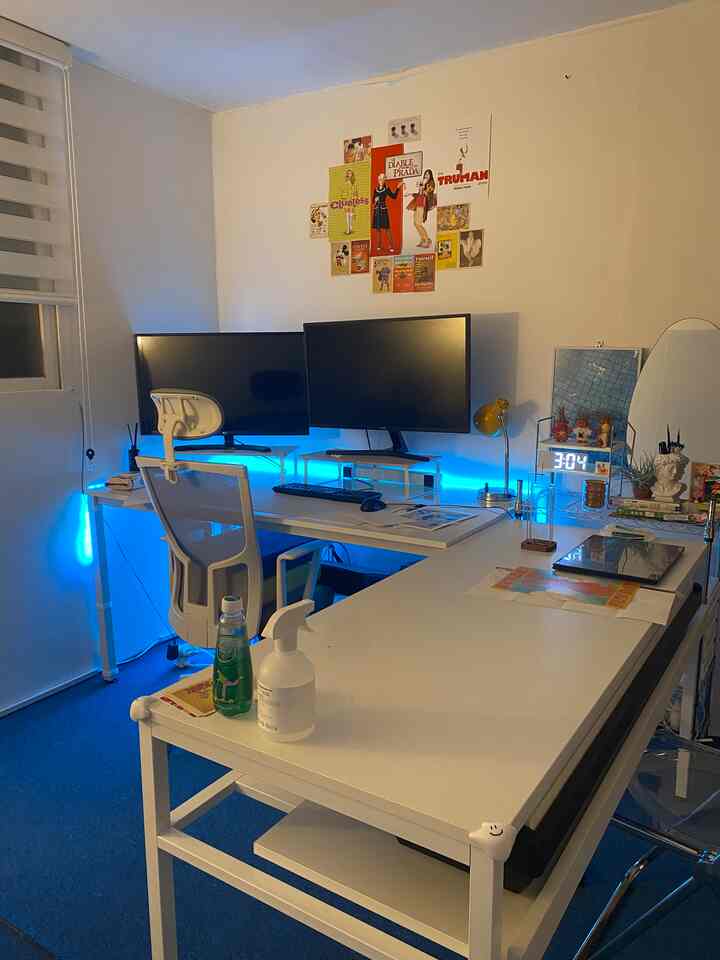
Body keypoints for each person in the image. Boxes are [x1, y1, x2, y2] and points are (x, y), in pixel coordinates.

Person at [372, 172, 401, 253]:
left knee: (387, 228)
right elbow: (373, 200)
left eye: (382, 179)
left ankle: (391, 245)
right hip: (376, 210)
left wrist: (398, 188)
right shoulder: (375, 189)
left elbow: (394, 196)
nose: (380, 180)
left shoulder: (386, 188)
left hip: (383, 209)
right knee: (378, 229)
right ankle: (379, 245)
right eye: (379, 179)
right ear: (378, 180)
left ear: (384, 180)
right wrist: (374, 200)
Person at [406, 169, 436, 248]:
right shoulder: (423, 182)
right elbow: (419, 194)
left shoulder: (431, 183)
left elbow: (427, 193)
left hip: (423, 204)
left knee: (418, 223)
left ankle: (427, 240)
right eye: (425, 174)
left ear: (430, 175)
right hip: (417, 203)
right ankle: (423, 239)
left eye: (428, 174)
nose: (426, 175)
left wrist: (423, 186)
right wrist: (410, 193)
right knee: (415, 223)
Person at [342, 168, 358, 234]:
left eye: (350, 173)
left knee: (351, 214)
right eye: (348, 173)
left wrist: (355, 200)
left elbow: (356, 193)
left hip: (352, 200)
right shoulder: (345, 183)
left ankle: (350, 228)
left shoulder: (354, 183)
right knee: (347, 214)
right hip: (346, 200)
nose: (349, 175)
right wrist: (344, 200)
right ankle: (348, 229)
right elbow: (343, 192)